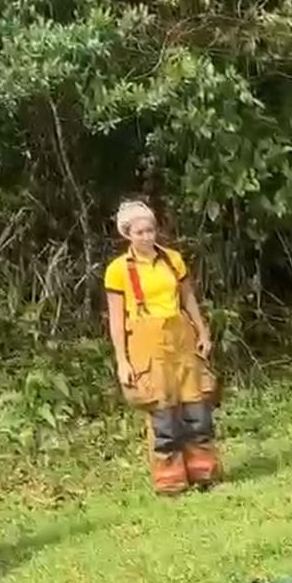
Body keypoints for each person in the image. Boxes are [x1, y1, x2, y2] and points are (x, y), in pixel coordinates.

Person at [104, 200, 221, 496]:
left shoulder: (173, 260)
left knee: (198, 406)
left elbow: (188, 298)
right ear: (127, 234)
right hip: (146, 344)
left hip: (181, 338)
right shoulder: (117, 270)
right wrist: (123, 360)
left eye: (151, 230)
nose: (147, 236)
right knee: (163, 413)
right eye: (140, 232)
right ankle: (171, 481)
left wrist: (202, 330)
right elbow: (116, 320)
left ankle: (204, 472)